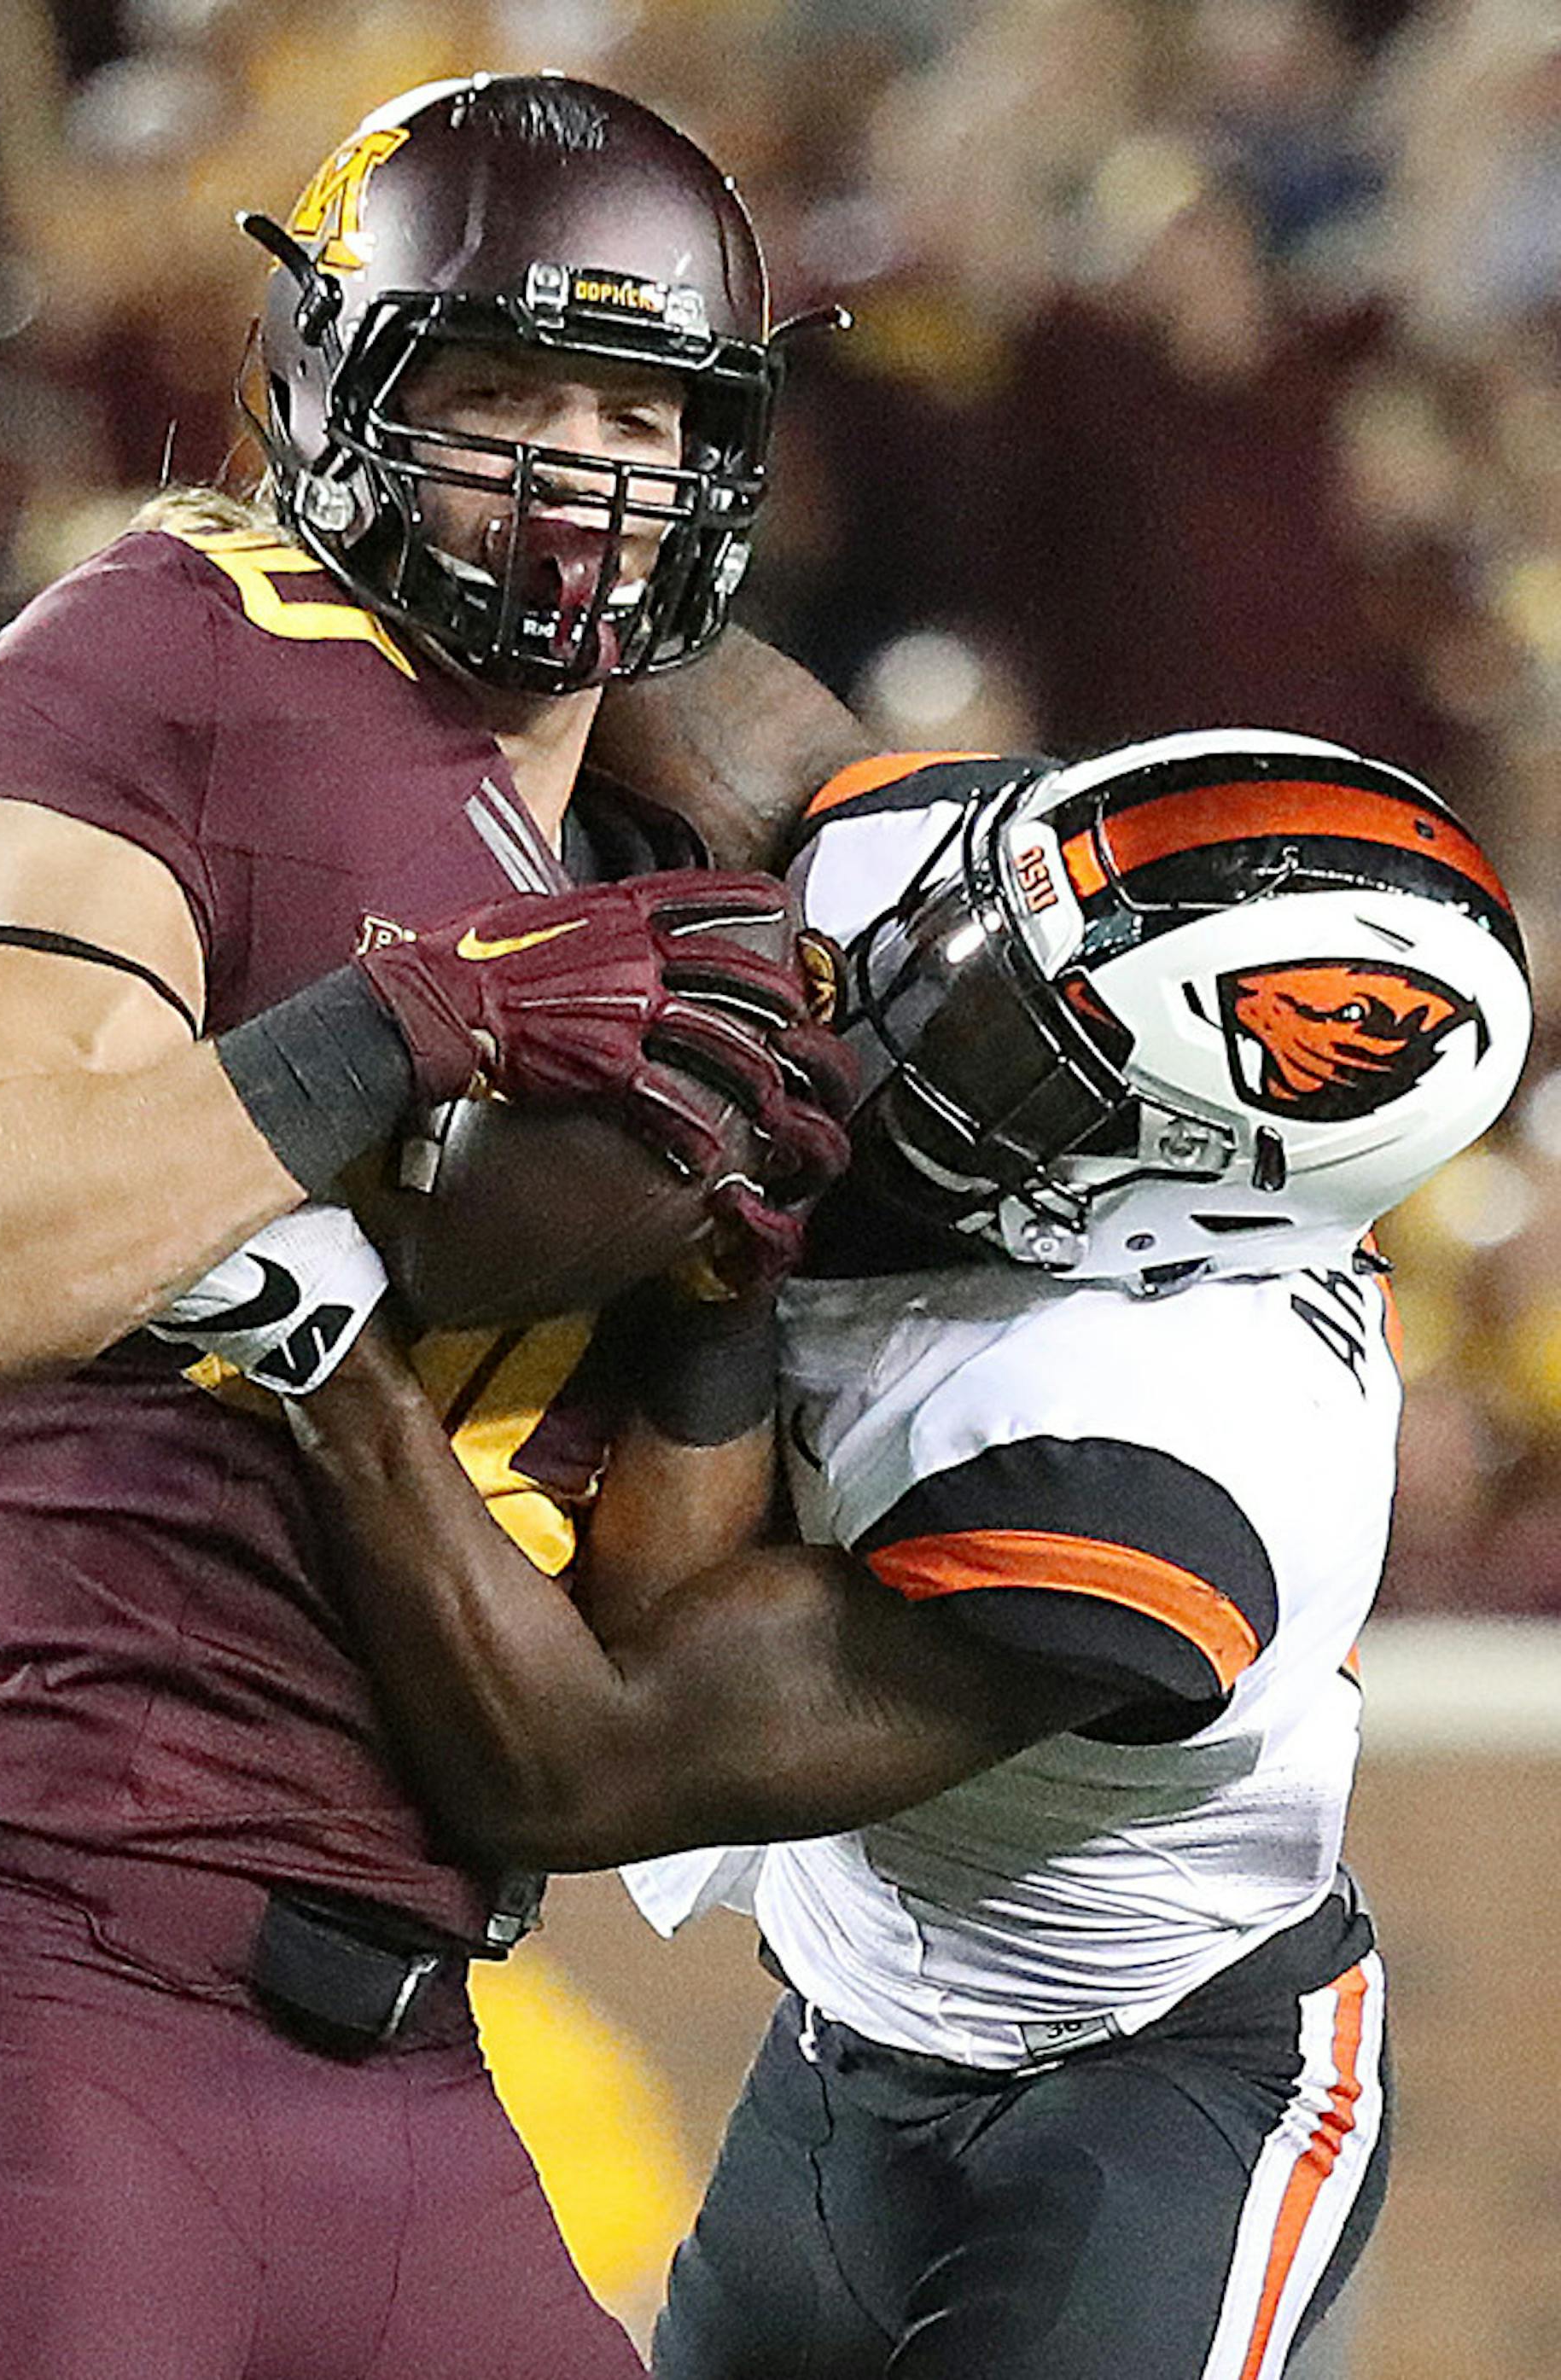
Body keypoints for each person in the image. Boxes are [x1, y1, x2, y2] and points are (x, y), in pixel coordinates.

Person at [0, 73, 861, 2380]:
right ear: (340, 390)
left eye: (635, 413)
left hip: (415, 2056)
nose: (577, 477)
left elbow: (625, 1664)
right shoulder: (200, 647)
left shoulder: (677, 852)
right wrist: (397, 1023)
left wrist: (717, 1290)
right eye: (505, 396)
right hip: (52, 1986)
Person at [281, 730, 1532, 2380]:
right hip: (839, 2047)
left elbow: (582, 1760)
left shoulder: (1173, 1457)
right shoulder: (959, 875)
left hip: (1149, 2093)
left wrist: (324, 1349)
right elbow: (709, 708)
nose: (912, 1018)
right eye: (971, 954)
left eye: (1021, 1055)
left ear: (1204, 1182)